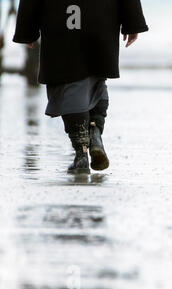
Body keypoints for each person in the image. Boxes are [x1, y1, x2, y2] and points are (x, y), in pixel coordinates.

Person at [13, 0, 149, 174]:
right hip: (101, 19)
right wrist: (133, 23)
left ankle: (81, 152)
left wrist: (26, 30)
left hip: (60, 22)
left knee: (65, 84)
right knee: (96, 79)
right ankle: (95, 132)